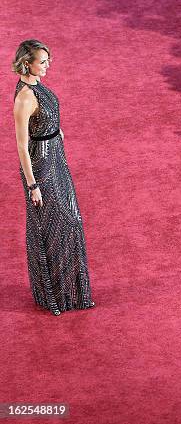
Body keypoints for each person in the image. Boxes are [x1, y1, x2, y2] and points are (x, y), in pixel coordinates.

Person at [12, 39, 94, 316]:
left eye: (48, 60)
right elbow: (22, 146)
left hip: (56, 158)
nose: (48, 65)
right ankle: (53, 296)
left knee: (72, 220)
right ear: (27, 62)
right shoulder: (24, 97)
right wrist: (32, 185)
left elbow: (43, 120)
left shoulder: (37, 87)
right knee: (52, 227)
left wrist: (54, 131)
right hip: (41, 168)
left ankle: (72, 292)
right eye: (42, 61)